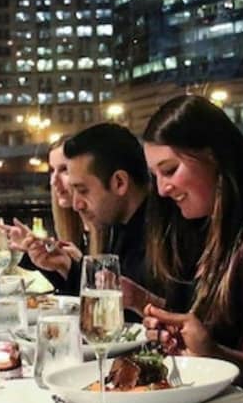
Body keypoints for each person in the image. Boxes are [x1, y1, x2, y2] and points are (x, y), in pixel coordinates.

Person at [140, 94, 243, 391]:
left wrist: (210, 352)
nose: (162, 190)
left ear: (213, 156)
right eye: (155, 176)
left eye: (170, 170)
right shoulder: (208, 221)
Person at [12, 123, 159, 314]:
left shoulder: (170, 232)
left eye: (83, 190)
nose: (76, 205)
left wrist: (141, 300)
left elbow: (186, 318)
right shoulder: (117, 225)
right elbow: (101, 302)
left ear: (119, 183)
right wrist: (66, 267)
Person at [0, 136, 101, 289]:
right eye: (52, 170)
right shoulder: (75, 228)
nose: (53, 181)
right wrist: (34, 252)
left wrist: (75, 266)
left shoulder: (111, 231)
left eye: (64, 169)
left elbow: (101, 294)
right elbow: (68, 289)